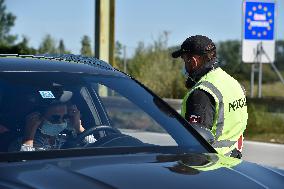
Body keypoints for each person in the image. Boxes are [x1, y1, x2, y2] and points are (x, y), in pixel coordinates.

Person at [172, 35, 248, 159]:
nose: (184, 65)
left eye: (185, 60)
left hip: (210, 166)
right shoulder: (233, 82)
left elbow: (195, 143)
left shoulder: (202, 93)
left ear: (194, 61)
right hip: (233, 160)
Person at [20, 102, 96, 151]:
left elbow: (96, 149)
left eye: (64, 117)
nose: (60, 121)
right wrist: (29, 137)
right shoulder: (20, 144)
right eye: (55, 118)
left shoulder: (66, 139)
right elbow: (25, 165)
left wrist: (78, 127)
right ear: (38, 118)